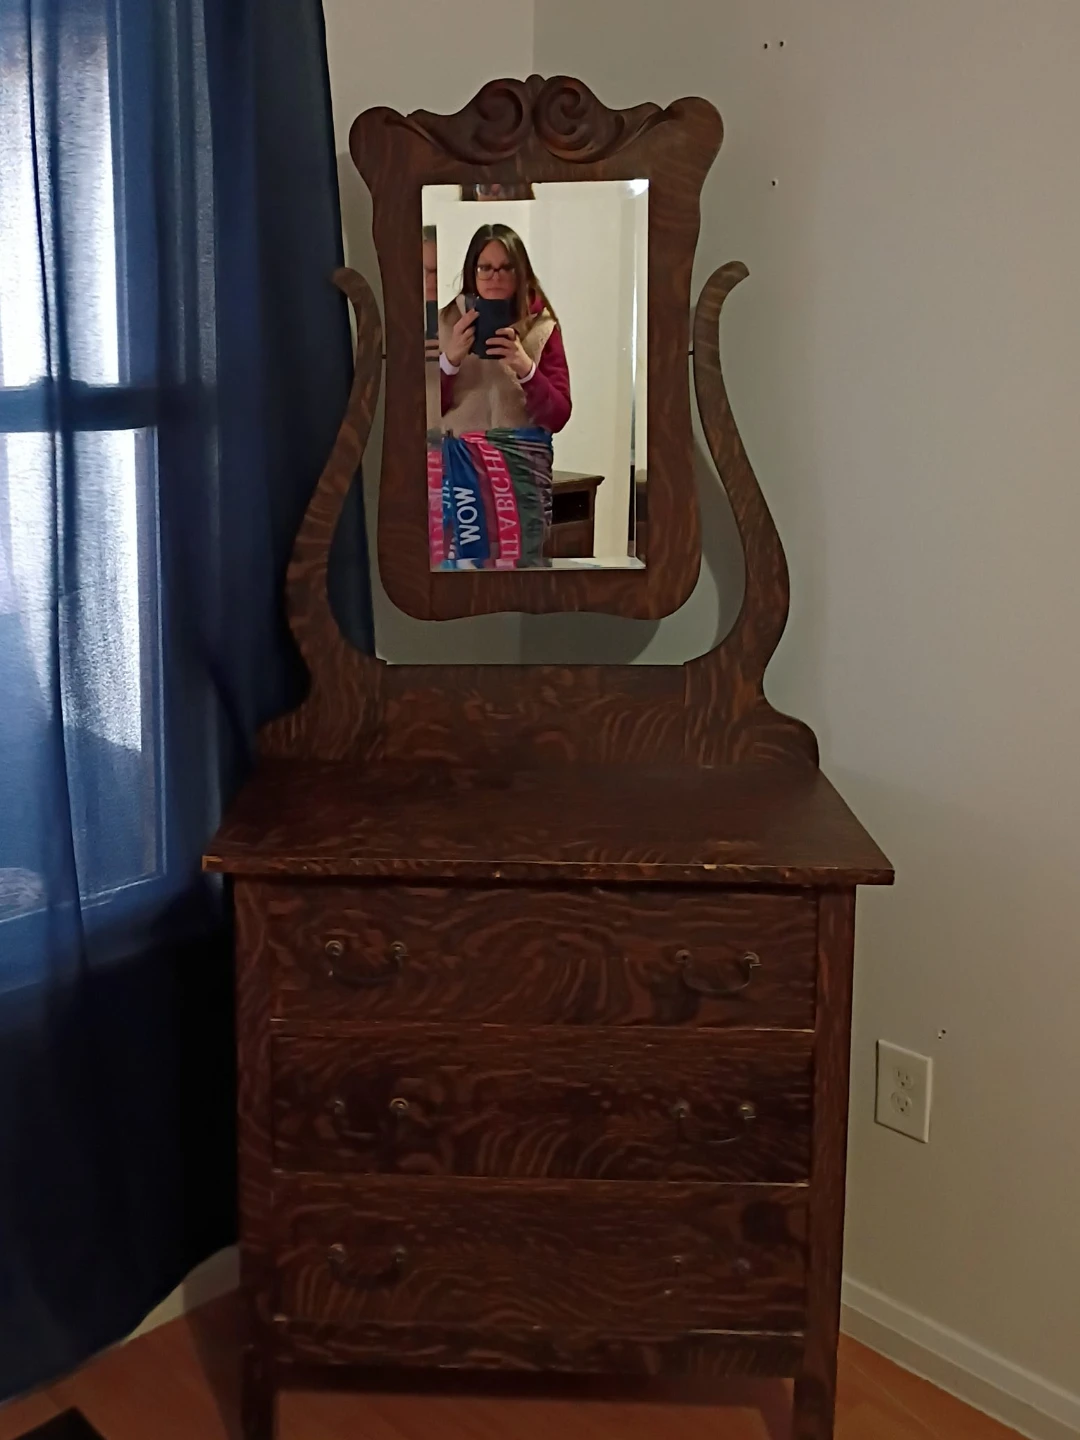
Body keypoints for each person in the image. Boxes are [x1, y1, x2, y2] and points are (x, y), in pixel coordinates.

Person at [437, 224, 571, 436]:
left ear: (521, 272)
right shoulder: (444, 323)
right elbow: (421, 413)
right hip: (460, 462)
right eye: (485, 268)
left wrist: (526, 369)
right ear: (472, 271)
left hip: (521, 463)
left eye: (507, 267)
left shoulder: (543, 326)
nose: (496, 277)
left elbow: (558, 418)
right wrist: (449, 362)